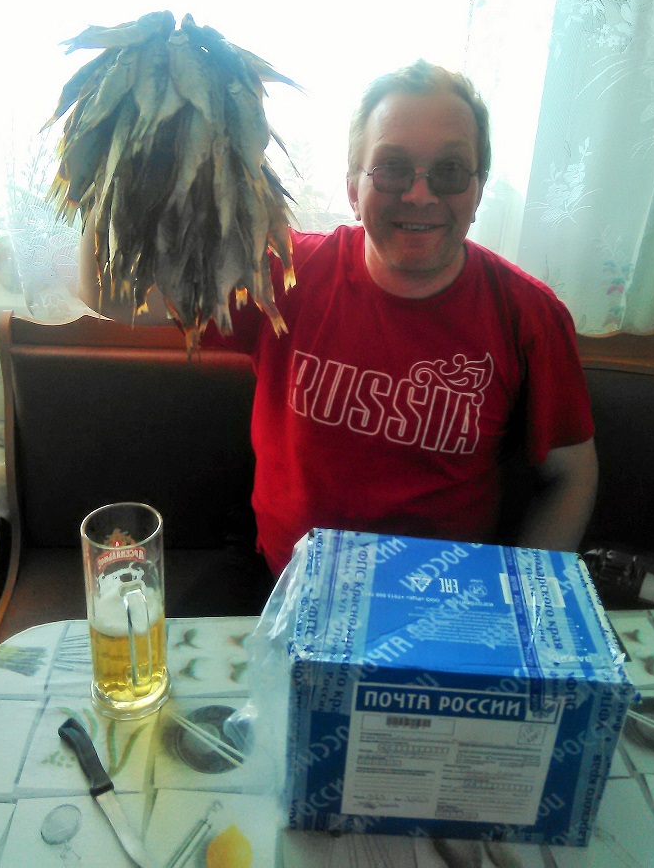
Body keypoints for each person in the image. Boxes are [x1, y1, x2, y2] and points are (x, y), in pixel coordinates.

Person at [79, 60, 598, 578]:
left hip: (439, 601)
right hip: (281, 584)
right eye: (391, 167)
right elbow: (111, 295)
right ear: (352, 189)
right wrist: (110, 157)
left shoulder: (529, 316)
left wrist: (524, 597)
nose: (420, 194)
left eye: (450, 170)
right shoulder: (284, 274)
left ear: (478, 189)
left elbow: (571, 477)